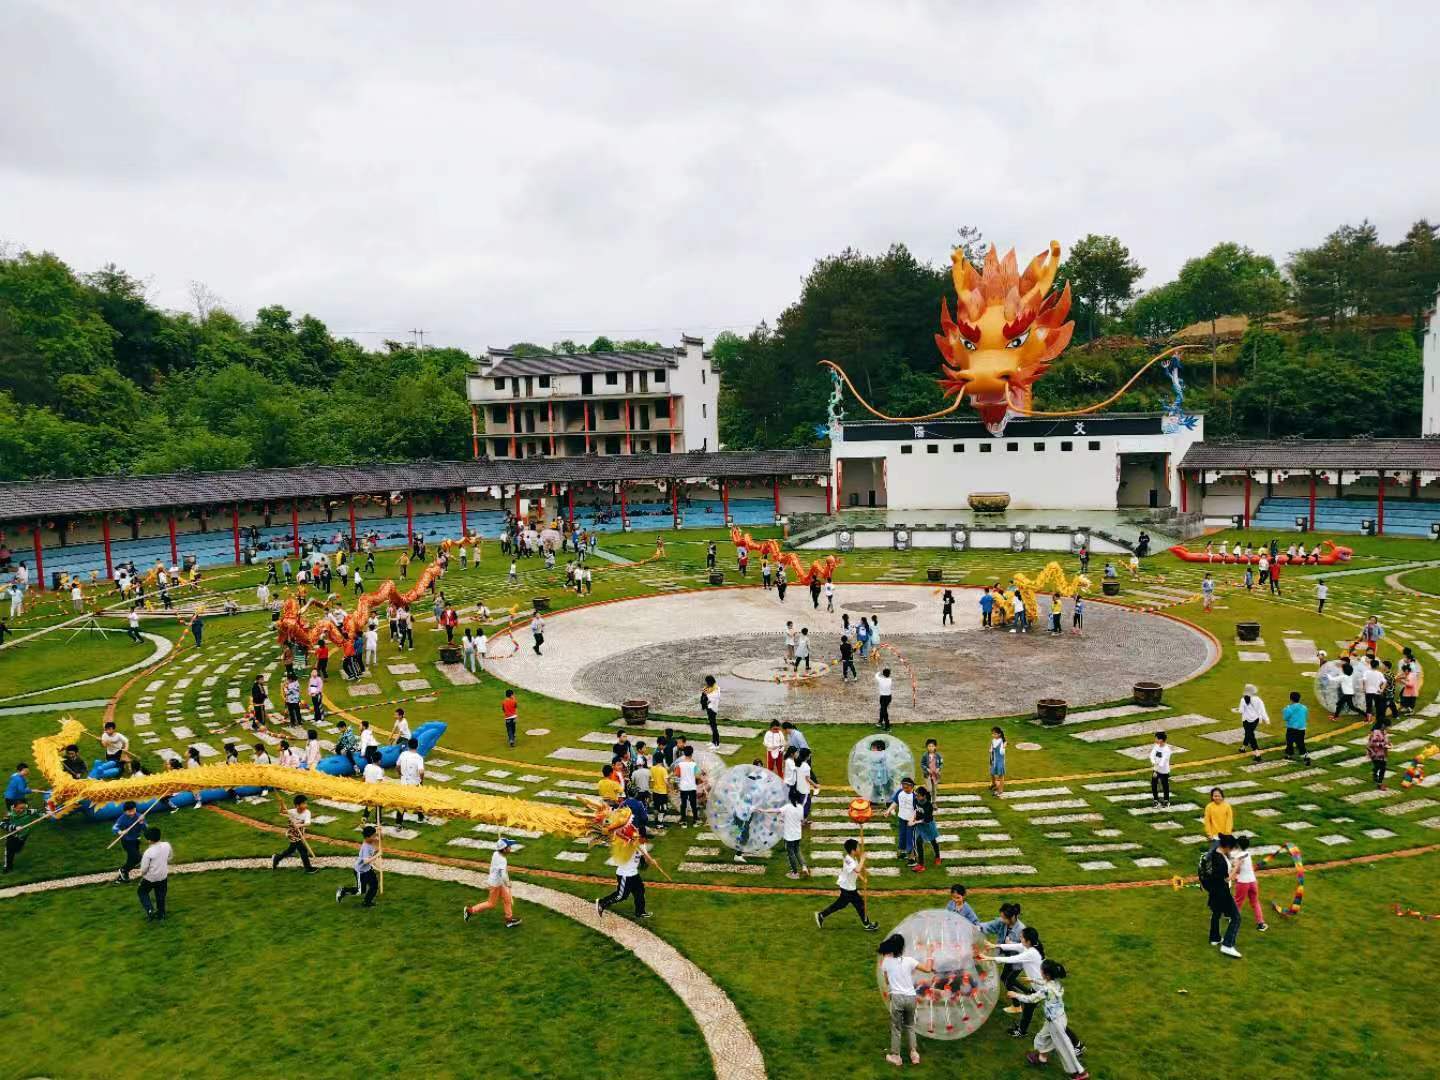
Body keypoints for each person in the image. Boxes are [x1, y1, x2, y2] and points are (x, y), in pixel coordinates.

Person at [1008, 959, 1088, 1078]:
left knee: (1064, 1048)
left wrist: (1015, 995)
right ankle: (1042, 1058)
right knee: (1042, 1037)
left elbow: (1032, 999)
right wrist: (1033, 980)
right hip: (1057, 1018)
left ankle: (1080, 1073)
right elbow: (1045, 983)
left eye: (1041, 970)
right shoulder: (1055, 983)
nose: (1039, 971)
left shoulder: (1047, 990)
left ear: (1047, 975)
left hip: (1056, 1023)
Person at [877, 933, 933, 1067]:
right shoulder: (909, 961)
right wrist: (930, 953)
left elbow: (887, 981)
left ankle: (896, 1056)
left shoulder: (886, 962)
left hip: (897, 998)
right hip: (911, 997)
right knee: (910, 1025)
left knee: (896, 1027)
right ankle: (914, 1054)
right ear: (902, 948)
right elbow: (928, 969)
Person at [814, 838, 879, 930]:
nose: (859, 849)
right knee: (859, 904)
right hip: (848, 888)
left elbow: (855, 871)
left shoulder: (853, 858)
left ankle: (821, 915)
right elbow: (857, 869)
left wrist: (862, 878)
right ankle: (867, 924)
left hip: (848, 887)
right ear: (853, 850)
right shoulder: (849, 860)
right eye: (858, 847)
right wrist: (862, 859)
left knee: (841, 904)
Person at [464, 837, 523, 927]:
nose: (510, 848)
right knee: (491, 904)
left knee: (507, 899)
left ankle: (509, 919)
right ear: (504, 849)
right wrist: (508, 883)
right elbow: (503, 875)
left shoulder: (496, 853)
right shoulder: (502, 860)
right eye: (509, 847)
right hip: (496, 884)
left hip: (499, 882)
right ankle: (470, 911)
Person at [1201, 832, 1243, 958]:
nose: (1232, 850)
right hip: (1222, 893)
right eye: (1232, 848)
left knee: (1216, 913)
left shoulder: (1215, 853)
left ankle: (1215, 938)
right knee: (1236, 918)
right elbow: (1226, 879)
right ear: (1227, 847)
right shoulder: (1220, 862)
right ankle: (1227, 945)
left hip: (1214, 891)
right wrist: (1236, 867)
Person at [595, 840, 659, 920]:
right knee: (622, 895)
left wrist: (651, 861)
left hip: (634, 873)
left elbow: (644, 861)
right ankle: (602, 903)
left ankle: (640, 912)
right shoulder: (628, 844)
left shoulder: (642, 845)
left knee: (639, 891)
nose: (645, 840)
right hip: (625, 874)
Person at [271, 795, 318, 873]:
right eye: (303, 803)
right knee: (303, 850)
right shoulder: (292, 811)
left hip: (299, 834)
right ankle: (308, 868)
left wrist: (299, 825)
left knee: (291, 850)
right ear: (297, 805)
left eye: (305, 803)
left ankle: (277, 858)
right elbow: (282, 812)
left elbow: (308, 823)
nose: (306, 805)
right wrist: (281, 803)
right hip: (292, 834)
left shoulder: (307, 812)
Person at [337, 825, 381, 907]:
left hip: (368, 869)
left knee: (374, 885)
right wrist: (377, 855)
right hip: (360, 871)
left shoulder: (370, 840)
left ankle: (367, 902)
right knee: (360, 891)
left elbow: (379, 840)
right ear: (367, 837)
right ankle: (343, 891)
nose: (375, 837)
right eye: (373, 836)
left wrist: (379, 831)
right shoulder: (366, 847)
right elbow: (365, 861)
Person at [1231, 835, 1267, 933]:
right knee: (1255, 902)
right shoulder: (1248, 854)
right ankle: (1261, 923)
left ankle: (1233, 919)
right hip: (1253, 882)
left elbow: (1238, 870)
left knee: (1238, 902)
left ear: (1238, 845)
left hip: (1243, 883)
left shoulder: (1237, 856)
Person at [136, 826, 172, 921]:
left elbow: (144, 869)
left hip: (150, 878)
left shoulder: (148, 852)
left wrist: (142, 874)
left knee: (142, 892)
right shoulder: (167, 845)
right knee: (160, 895)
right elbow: (169, 856)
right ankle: (161, 915)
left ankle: (150, 910)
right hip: (163, 876)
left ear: (149, 840)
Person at [887, 776, 918, 865]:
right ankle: (903, 852)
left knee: (910, 838)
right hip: (902, 818)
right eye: (903, 787)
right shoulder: (900, 792)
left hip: (911, 821)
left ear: (911, 786)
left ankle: (912, 858)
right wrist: (888, 810)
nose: (905, 789)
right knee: (902, 836)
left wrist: (913, 820)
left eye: (907, 788)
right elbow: (895, 802)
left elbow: (917, 810)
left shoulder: (915, 796)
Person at [396, 737, 426, 824]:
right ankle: (420, 816)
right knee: (418, 800)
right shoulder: (419, 758)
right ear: (417, 746)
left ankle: (398, 822)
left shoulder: (403, 754)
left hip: (404, 782)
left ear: (408, 745)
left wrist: (400, 774)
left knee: (402, 802)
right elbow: (421, 772)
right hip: (414, 783)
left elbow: (397, 766)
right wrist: (421, 780)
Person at [910, 786, 940, 870]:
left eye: (918, 795)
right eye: (916, 795)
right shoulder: (915, 801)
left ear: (924, 796)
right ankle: (921, 864)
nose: (916, 797)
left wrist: (915, 822)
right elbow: (914, 810)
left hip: (928, 825)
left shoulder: (929, 805)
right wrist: (913, 818)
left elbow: (927, 819)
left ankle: (937, 857)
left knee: (933, 841)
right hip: (920, 826)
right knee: (918, 842)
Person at [1238, 684, 1268, 761]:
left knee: (1250, 735)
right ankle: (1243, 748)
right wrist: (1266, 719)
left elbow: (1241, 711)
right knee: (1249, 734)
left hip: (1246, 720)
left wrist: (1236, 710)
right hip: (1255, 720)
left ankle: (1257, 754)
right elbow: (1262, 710)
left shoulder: (1243, 699)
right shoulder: (1258, 699)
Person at [1282, 689, 1311, 765]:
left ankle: (1289, 755)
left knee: (1289, 742)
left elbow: (1285, 718)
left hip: (1292, 728)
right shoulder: (1304, 707)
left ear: (1290, 699)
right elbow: (1305, 716)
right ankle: (1305, 756)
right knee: (1300, 743)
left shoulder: (1288, 708)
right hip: (1302, 728)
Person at [1203, 787, 1233, 852]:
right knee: (1213, 852)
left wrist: (1228, 833)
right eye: (1215, 796)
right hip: (1214, 835)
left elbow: (1229, 821)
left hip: (1225, 835)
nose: (1217, 798)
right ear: (1212, 797)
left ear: (1222, 796)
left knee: (1225, 853)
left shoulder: (1227, 806)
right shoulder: (1209, 807)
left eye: (1218, 796)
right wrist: (1209, 834)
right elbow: (1207, 821)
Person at [676, 745, 700, 826]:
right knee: (693, 804)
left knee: (683, 804)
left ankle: (683, 821)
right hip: (692, 787)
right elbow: (697, 776)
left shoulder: (680, 764)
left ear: (684, 753)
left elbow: (677, 774)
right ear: (692, 753)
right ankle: (695, 820)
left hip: (683, 787)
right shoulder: (694, 764)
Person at [1149, 731, 1172, 807]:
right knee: (1153, 785)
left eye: (1156, 738)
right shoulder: (1156, 746)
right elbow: (1151, 755)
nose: (1155, 739)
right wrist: (1153, 762)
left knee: (1165, 785)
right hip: (1156, 769)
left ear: (1161, 740)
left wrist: (1156, 770)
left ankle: (1166, 801)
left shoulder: (1167, 750)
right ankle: (1156, 800)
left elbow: (1163, 762)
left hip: (1164, 771)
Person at [1367, 719, 1391, 790]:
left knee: (1381, 767)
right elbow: (1373, 743)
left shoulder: (1384, 732)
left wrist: (1389, 743)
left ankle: (1376, 776)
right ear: (1383, 725)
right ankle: (1379, 783)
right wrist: (1383, 745)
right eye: (1387, 726)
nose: (1387, 728)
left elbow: (1386, 740)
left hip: (1382, 753)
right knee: (1381, 767)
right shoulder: (1375, 733)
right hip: (1375, 753)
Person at [700, 676, 721, 746]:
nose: (706, 683)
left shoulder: (716, 689)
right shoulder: (709, 688)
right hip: (709, 708)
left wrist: (707, 694)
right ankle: (713, 741)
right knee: (712, 726)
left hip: (713, 709)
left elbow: (714, 698)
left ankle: (716, 743)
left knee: (714, 726)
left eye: (707, 682)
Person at [989, 727, 1007, 796]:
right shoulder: (993, 740)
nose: (993, 735)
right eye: (992, 734)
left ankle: (1000, 790)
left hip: (1000, 761)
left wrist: (1004, 746)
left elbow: (1002, 753)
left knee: (1000, 776)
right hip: (994, 759)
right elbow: (991, 749)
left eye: (995, 734)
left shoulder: (1002, 741)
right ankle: (994, 784)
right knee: (992, 772)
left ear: (999, 734)